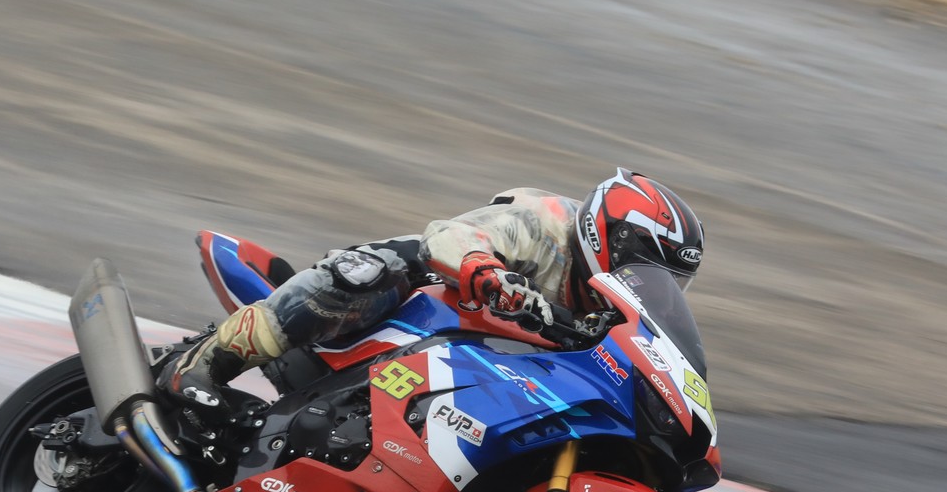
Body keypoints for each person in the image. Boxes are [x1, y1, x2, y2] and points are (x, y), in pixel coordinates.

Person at [160, 168, 705, 416]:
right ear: (611, 238)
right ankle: (202, 366)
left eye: (669, 281)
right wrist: (486, 274)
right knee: (367, 275)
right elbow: (450, 237)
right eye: (647, 267)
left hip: (488, 372)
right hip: (426, 300)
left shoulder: (610, 313)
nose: (653, 284)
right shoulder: (546, 222)